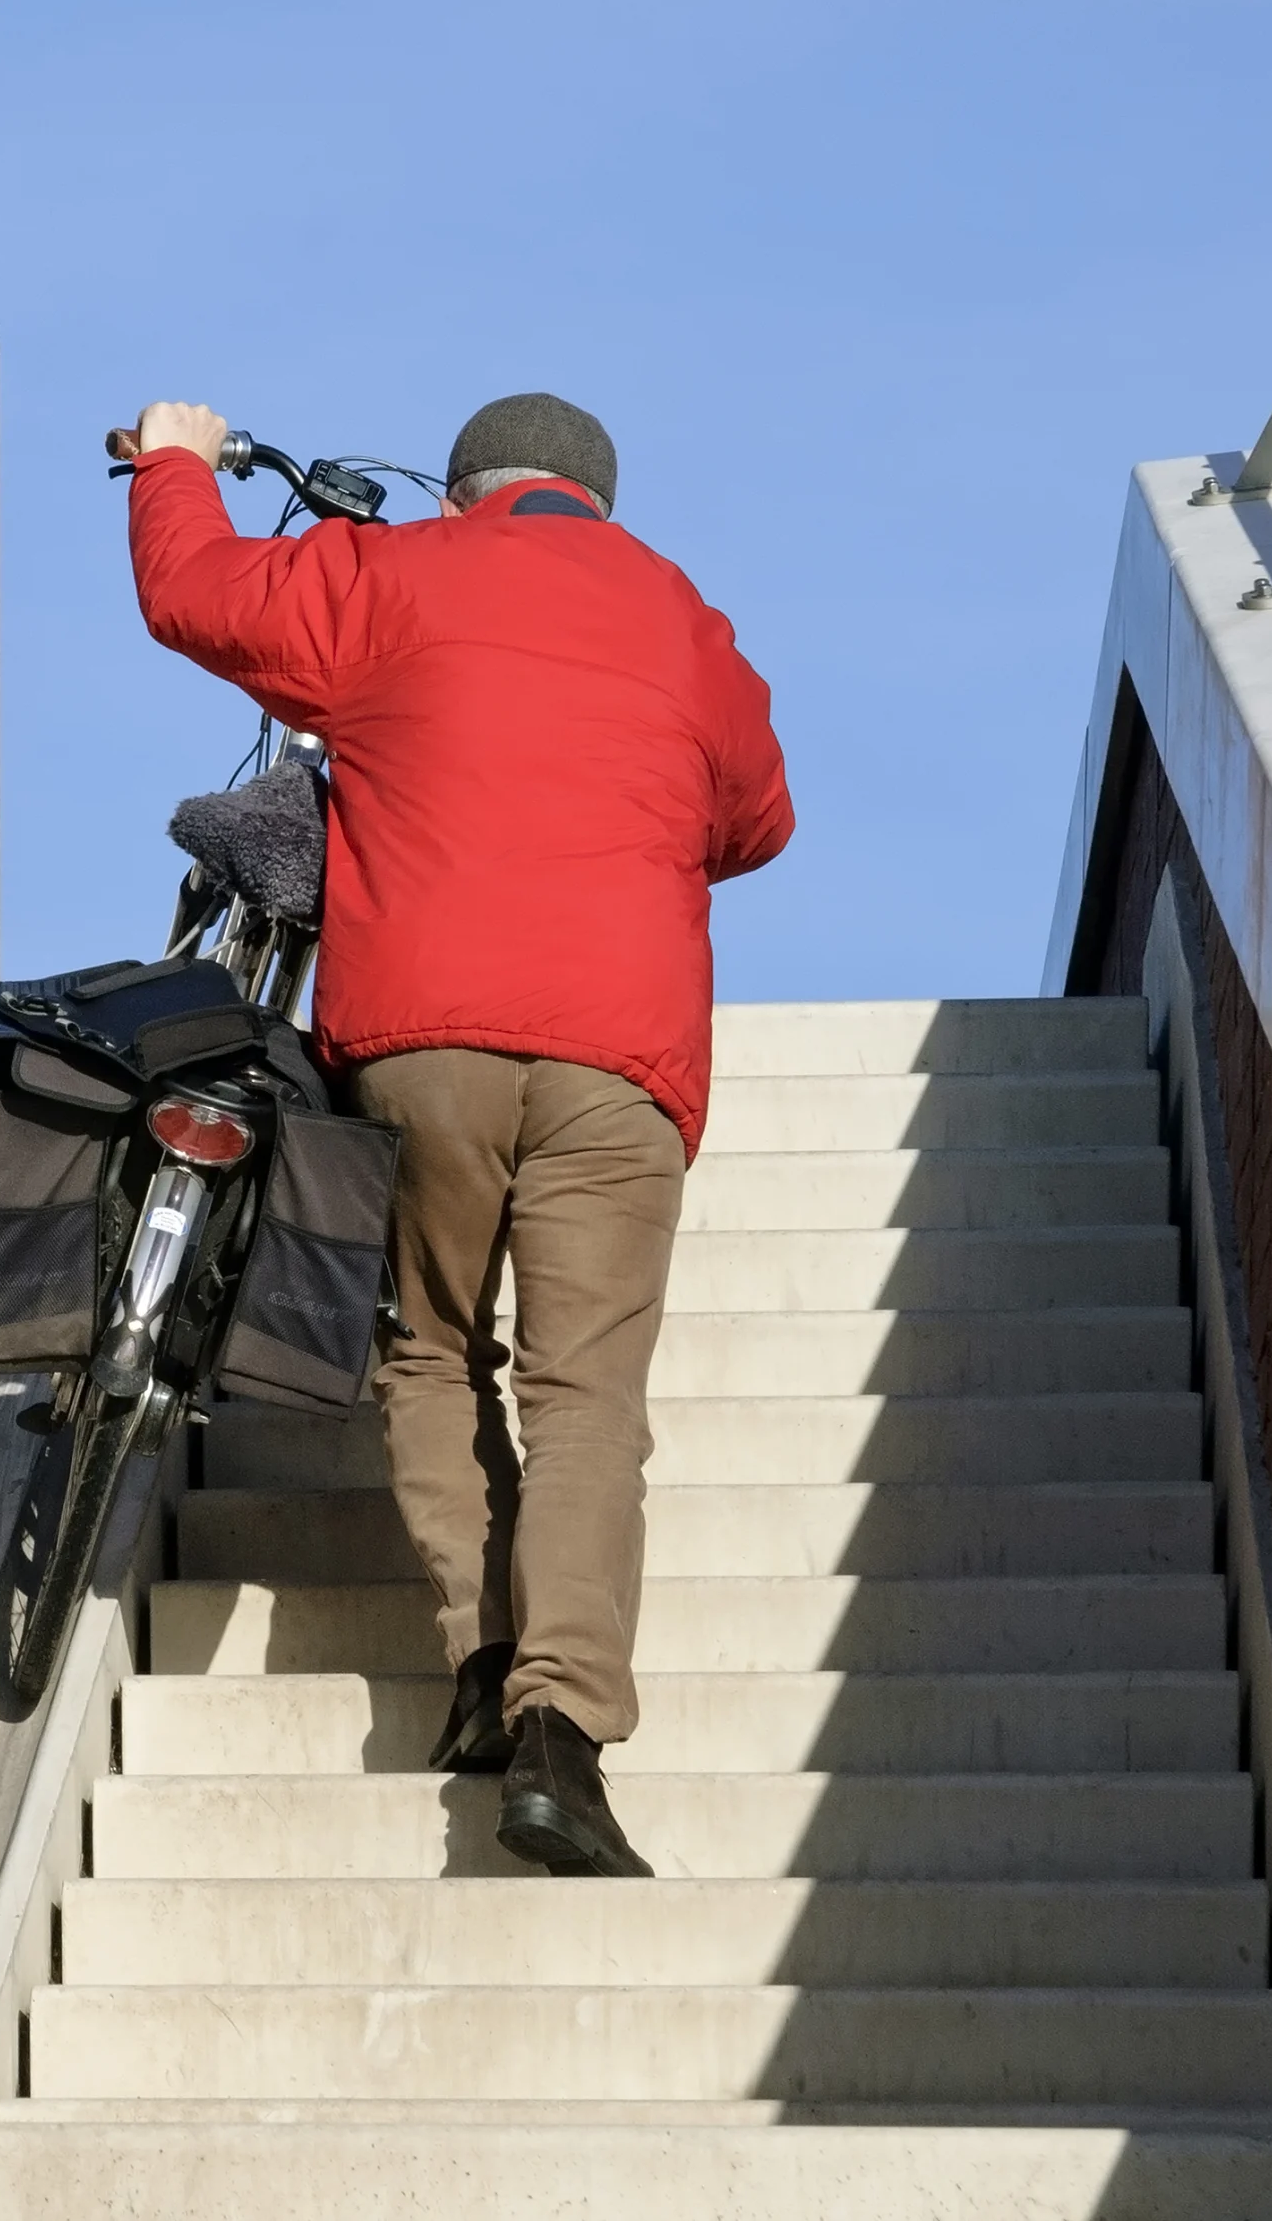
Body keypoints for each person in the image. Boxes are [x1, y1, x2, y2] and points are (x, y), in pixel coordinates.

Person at [121, 390, 791, 1876]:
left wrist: (175, 457)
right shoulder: (684, 616)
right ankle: (564, 1733)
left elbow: (192, 593)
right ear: (594, 504)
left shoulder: (395, 574)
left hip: (420, 1040)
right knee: (588, 1401)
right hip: (622, 1063)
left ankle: (482, 1664)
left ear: (469, 487)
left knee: (426, 1343)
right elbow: (758, 818)